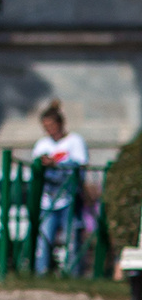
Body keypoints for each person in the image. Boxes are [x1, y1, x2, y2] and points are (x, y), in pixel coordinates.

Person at [31, 100, 89, 276]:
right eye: (45, 126)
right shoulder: (42, 144)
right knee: (44, 240)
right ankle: (41, 275)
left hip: (69, 198)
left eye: (51, 125)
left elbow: (80, 165)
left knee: (72, 240)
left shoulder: (75, 141)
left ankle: (73, 276)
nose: (49, 130)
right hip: (48, 200)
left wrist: (55, 163)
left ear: (60, 124)